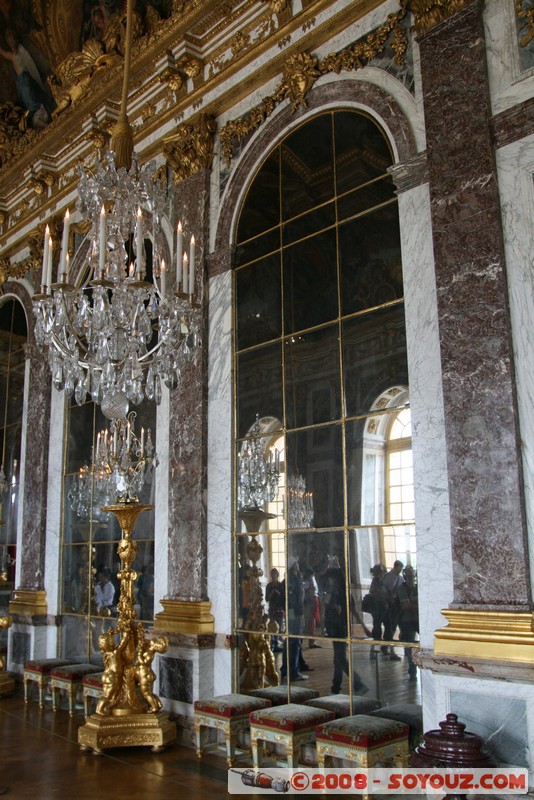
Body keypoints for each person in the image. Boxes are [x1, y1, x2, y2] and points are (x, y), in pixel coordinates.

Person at [324, 566, 368, 695]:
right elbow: (355, 612)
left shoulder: (336, 593)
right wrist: (364, 627)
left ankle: (358, 684)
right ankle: (335, 687)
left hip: (337, 628)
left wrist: (328, 604)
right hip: (343, 628)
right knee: (338, 658)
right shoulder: (346, 592)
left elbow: (337, 611)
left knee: (341, 659)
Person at [0, 29, 54, 129]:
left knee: (31, 103)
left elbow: (2, 52)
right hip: (24, 80)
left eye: (12, 39)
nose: (11, 42)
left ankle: (39, 119)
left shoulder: (15, 54)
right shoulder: (18, 52)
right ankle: (40, 119)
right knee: (31, 101)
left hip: (25, 80)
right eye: (9, 40)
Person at [280, 555, 307, 681]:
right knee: (295, 641)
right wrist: (300, 614)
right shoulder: (295, 579)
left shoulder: (286, 580)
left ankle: (285, 669)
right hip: (295, 612)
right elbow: (297, 600)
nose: (298, 564)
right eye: (296, 562)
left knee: (288, 640)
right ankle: (294, 672)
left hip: (289, 611)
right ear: (293, 566)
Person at [398, 565, 419, 681]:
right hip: (407, 620)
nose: (411, 577)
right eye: (409, 575)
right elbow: (406, 605)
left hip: (417, 619)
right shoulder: (402, 588)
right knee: (411, 646)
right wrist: (418, 607)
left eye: (412, 575)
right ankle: (412, 671)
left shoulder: (417, 587)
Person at [382, 559, 405, 660]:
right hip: (388, 605)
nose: (400, 570)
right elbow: (384, 590)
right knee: (390, 628)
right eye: (399, 568)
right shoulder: (387, 577)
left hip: (397, 605)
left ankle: (385, 646)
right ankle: (389, 648)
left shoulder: (400, 578)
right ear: (395, 567)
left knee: (393, 627)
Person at [368, 564, 389, 658]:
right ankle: (373, 651)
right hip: (377, 608)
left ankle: (384, 648)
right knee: (377, 630)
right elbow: (375, 593)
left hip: (383, 607)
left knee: (387, 628)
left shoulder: (381, 581)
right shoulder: (376, 582)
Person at [265, 567, 284, 652]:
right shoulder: (269, 586)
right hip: (272, 608)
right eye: (272, 575)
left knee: (279, 626)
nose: (273, 576)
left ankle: (276, 643)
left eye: (275, 574)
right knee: (272, 626)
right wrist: (271, 594)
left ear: (277, 575)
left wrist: (278, 593)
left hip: (279, 608)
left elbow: (283, 596)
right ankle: (273, 644)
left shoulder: (280, 585)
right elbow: (266, 599)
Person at [302, 566, 321, 649]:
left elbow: (314, 590)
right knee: (310, 623)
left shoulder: (312, 579)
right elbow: (305, 591)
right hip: (309, 602)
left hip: (313, 600)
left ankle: (312, 641)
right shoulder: (306, 581)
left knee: (314, 622)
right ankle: (311, 641)